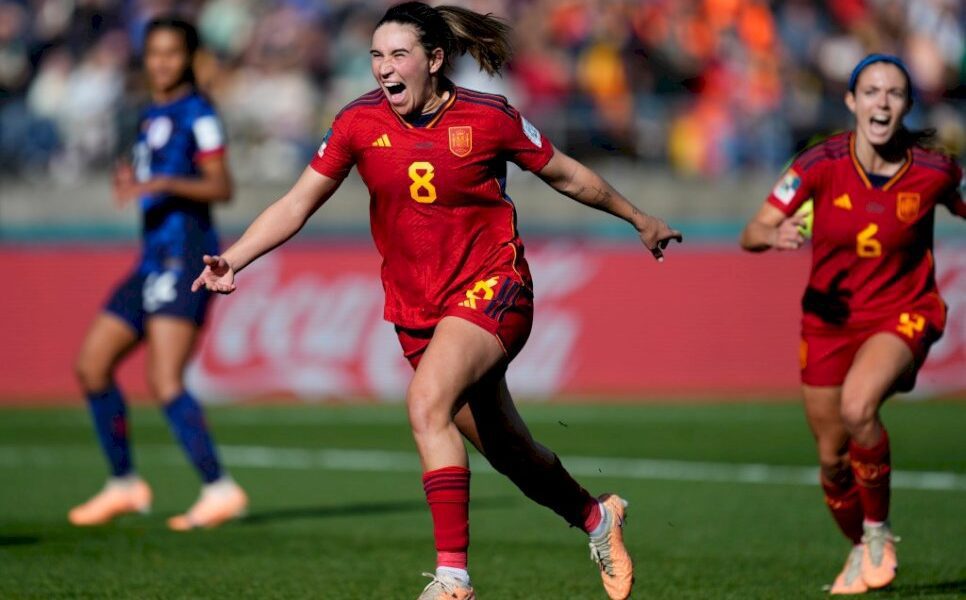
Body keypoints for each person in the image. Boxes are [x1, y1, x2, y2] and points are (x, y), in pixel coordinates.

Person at [192, 2, 681, 597]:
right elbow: (296, 204)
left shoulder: (488, 117)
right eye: (376, 55)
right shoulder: (357, 124)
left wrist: (637, 217)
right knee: (509, 451)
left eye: (398, 54)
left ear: (434, 59)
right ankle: (598, 519)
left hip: (494, 286)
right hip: (418, 309)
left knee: (426, 404)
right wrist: (233, 258)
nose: (384, 68)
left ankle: (452, 580)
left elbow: (567, 175)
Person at [740, 54, 964, 595]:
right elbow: (753, 231)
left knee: (858, 407)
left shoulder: (935, 170)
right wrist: (774, 236)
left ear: (907, 105)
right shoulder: (819, 163)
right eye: (871, 92)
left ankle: (879, 531)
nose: (881, 103)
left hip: (902, 313)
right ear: (851, 101)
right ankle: (861, 548)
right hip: (828, 324)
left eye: (893, 93)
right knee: (832, 460)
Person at [70, 17, 247, 531]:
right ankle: (124, 483)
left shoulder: (200, 112)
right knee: (92, 366)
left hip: (186, 258)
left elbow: (221, 186)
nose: (161, 62)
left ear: (189, 58)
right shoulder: (151, 114)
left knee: (164, 380)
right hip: (148, 261)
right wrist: (134, 178)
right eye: (153, 53)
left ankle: (219, 488)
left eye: (171, 53)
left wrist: (164, 181)